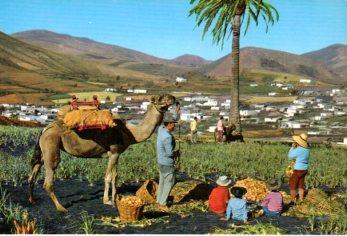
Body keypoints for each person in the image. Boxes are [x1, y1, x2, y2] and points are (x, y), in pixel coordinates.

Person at [156, 114, 180, 211]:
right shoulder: (167, 137)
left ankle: (159, 200)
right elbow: (169, 153)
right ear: (169, 124)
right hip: (167, 163)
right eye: (173, 124)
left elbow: (162, 125)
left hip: (160, 161)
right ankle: (162, 203)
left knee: (162, 181)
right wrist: (176, 153)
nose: (174, 126)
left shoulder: (161, 130)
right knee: (170, 182)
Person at [288, 133, 310, 203]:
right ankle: (301, 199)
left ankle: (292, 201)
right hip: (304, 169)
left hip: (297, 169)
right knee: (301, 184)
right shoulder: (307, 149)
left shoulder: (299, 149)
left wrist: (292, 147)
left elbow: (290, 156)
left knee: (293, 185)